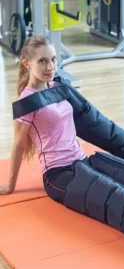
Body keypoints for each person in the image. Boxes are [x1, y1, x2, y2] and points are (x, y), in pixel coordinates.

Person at [0, 36, 88, 202]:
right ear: (27, 64)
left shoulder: (56, 87)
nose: (50, 67)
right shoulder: (26, 102)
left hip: (80, 159)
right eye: (42, 61)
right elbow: (19, 145)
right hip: (57, 171)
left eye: (53, 59)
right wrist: (9, 186)